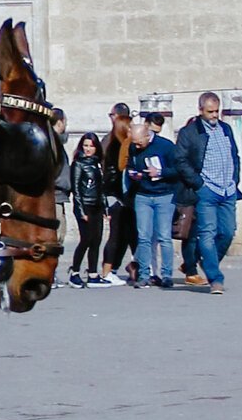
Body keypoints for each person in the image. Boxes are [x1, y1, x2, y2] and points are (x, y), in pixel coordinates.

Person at [176, 91, 242, 290]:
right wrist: (199, 184)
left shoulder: (225, 129)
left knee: (227, 232)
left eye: (216, 111)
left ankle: (204, 261)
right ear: (200, 110)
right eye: (210, 112)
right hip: (207, 189)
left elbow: (234, 155)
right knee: (207, 233)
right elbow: (180, 160)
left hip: (227, 189)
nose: (214, 115)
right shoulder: (189, 132)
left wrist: (235, 178)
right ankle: (216, 279)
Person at [121, 109, 192, 289]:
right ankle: (145, 274)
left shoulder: (166, 146)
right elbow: (131, 163)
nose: (136, 147)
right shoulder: (133, 146)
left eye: (139, 143)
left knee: (164, 237)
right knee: (143, 237)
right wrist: (133, 173)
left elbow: (178, 171)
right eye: (134, 144)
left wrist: (159, 172)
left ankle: (167, 275)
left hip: (164, 195)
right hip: (143, 195)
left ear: (148, 135)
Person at [99, 103, 137, 283]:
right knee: (116, 234)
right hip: (116, 196)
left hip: (123, 196)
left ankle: (126, 267)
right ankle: (107, 271)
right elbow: (111, 174)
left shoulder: (124, 145)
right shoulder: (113, 145)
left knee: (128, 234)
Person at [64, 131, 108, 283]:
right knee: (86, 239)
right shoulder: (78, 164)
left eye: (91, 146)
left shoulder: (97, 164)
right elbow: (76, 189)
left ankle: (93, 273)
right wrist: (81, 211)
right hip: (85, 206)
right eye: (85, 146)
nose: (88, 149)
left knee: (96, 240)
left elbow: (102, 188)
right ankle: (74, 271)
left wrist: (105, 208)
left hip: (97, 206)